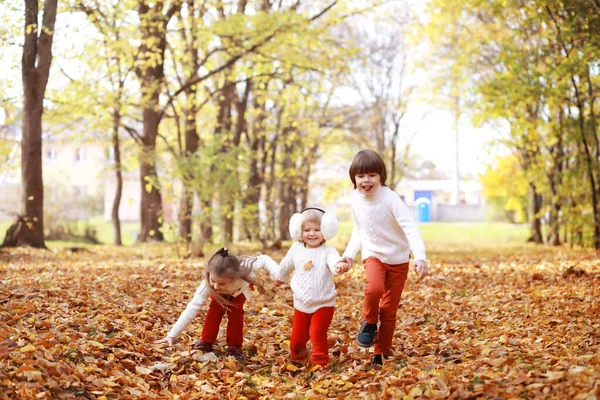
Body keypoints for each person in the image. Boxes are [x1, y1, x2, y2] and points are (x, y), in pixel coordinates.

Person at [340, 149, 428, 367]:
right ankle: (369, 322)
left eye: (371, 175)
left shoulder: (390, 199)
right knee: (374, 288)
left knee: (389, 309)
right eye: (360, 176)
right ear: (354, 179)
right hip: (373, 255)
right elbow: (358, 230)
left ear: (380, 176)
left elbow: (410, 227)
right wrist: (348, 256)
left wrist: (420, 257)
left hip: (398, 259)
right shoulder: (354, 200)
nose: (366, 181)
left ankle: (381, 352)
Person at [153, 247, 277, 361]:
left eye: (222, 283)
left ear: (234, 277)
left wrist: (278, 275)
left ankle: (235, 347)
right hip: (218, 297)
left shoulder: (246, 267)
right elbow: (192, 307)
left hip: (239, 293)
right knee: (214, 311)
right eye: (213, 281)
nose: (216, 286)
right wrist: (172, 334)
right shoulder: (208, 285)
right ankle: (206, 341)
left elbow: (264, 259)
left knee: (236, 314)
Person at [263, 207, 350, 367]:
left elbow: (334, 262)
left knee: (317, 333)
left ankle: (320, 362)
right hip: (301, 304)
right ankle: (298, 354)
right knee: (297, 339)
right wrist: (280, 278)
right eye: (307, 230)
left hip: (324, 303)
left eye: (317, 229)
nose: (312, 234)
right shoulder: (296, 249)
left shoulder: (328, 251)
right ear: (299, 231)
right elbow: (286, 265)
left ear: (325, 230)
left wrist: (339, 267)